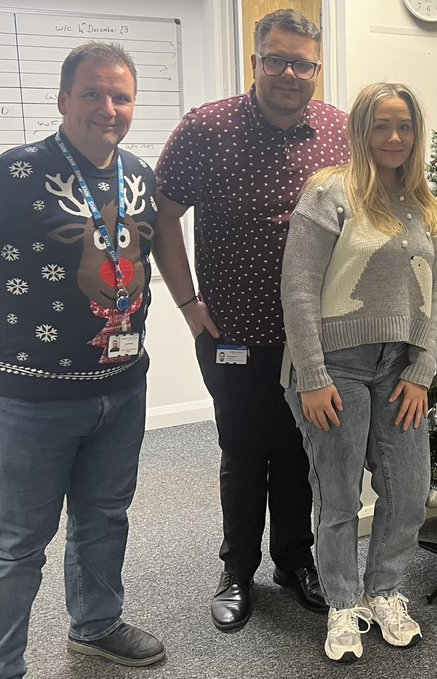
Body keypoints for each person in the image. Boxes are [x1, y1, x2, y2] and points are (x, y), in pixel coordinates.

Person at [0, 42, 165, 677]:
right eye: (91, 93)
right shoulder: (15, 173)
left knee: (104, 517)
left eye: (120, 96)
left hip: (122, 386)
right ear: (63, 100)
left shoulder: (139, 175)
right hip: (29, 399)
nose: (106, 108)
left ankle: (95, 625)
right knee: (15, 544)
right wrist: (0, 326)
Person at [151, 9, 349, 631]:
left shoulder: (339, 132)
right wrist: (188, 305)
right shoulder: (206, 128)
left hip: (312, 338)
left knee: (298, 451)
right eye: (277, 60)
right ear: (255, 61)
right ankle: (237, 568)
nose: (290, 74)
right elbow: (161, 216)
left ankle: (294, 561)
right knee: (243, 450)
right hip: (230, 330)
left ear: (317, 69)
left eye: (303, 63)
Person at [281, 82, 437, 663]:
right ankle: (343, 603)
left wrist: (423, 366)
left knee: (408, 489)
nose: (394, 137)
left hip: (400, 366)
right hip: (335, 367)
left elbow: (432, 294)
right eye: (381, 125)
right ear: (360, 130)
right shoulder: (329, 193)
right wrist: (312, 375)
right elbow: (297, 292)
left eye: (404, 126)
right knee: (340, 494)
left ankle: (386, 591)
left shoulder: (422, 201)